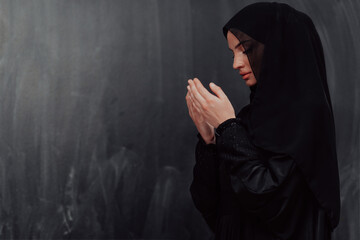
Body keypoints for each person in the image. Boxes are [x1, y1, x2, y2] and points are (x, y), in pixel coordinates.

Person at [185, 2, 340, 240]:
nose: (236, 64)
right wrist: (210, 141)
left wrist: (228, 127)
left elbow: (272, 201)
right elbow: (211, 206)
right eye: (233, 52)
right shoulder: (247, 119)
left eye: (245, 50)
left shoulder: (305, 117)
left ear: (279, 48)